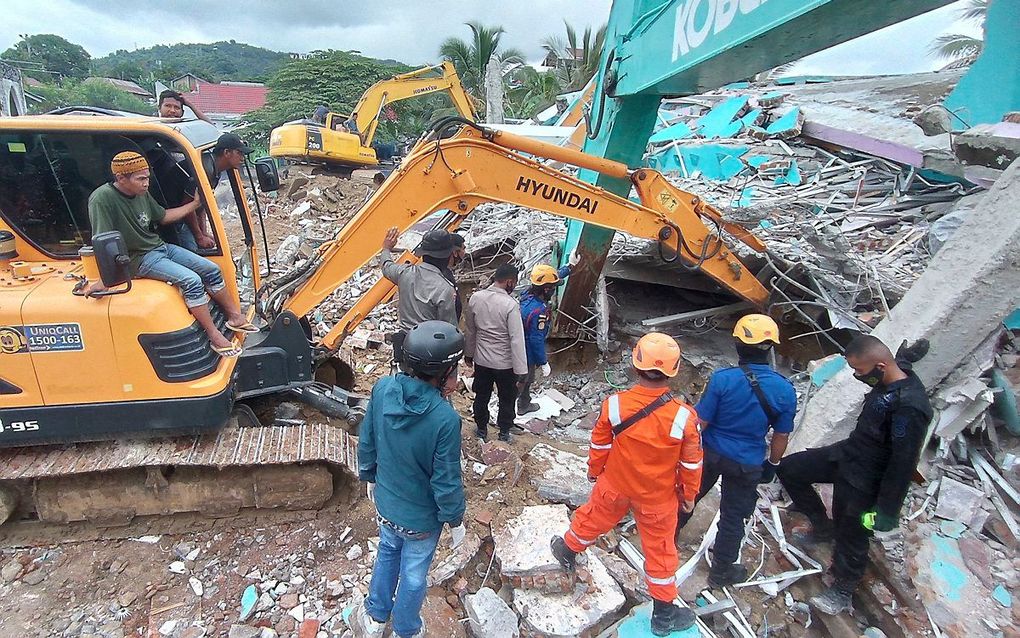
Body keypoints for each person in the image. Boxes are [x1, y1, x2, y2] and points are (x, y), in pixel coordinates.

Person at [550, 333, 704, 637]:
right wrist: (689, 496)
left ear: (636, 366)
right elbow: (691, 464)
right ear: (673, 372)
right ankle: (663, 616)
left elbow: (600, 443)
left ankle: (567, 550)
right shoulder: (683, 418)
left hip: (616, 484)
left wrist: (595, 471)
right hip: (657, 498)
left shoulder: (615, 405)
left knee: (593, 517)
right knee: (660, 551)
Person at [777, 335, 932, 615]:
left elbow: (903, 462)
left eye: (860, 371)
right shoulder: (891, 375)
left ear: (881, 366)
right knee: (791, 469)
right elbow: (899, 365)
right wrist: (907, 356)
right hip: (849, 453)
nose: (857, 376)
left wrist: (887, 509)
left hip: (868, 476)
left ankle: (843, 588)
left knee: (853, 531)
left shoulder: (910, 407)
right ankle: (822, 527)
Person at [352, 320, 467, 638]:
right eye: (456, 370)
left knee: (387, 553)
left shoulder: (383, 388)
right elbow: (446, 480)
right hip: (421, 520)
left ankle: (375, 617)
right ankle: (406, 629)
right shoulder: (445, 419)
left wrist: (369, 475)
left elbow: (368, 439)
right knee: (414, 574)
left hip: (387, 505)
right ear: (443, 374)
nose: (458, 378)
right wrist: (455, 520)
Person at [87, 151, 256, 356]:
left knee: (212, 269)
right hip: (138, 258)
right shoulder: (102, 199)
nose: (146, 183)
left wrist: (194, 205)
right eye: (141, 179)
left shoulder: (141, 194)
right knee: (192, 281)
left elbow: (164, 216)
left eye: (147, 177)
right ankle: (214, 336)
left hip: (158, 247)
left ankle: (235, 317)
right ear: (121, 178)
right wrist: (107, 277)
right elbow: (102, 240)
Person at [675, 314, 797, 587]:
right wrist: (773, 464)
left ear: (738, 345)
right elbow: (781, 434)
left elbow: (700, 422)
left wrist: (682, 453)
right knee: (733, 517)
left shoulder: (723, 380)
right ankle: (721, 571)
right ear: (770, 348)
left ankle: (667, 542)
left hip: (710, 454)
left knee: (686, 498)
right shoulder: (784, 390)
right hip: (747, 462)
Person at [464, 264, 528, 442]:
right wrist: (521, 369)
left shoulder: (476, 298)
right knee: (507, 398)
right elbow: (516, 339)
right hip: (504, 363)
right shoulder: (510, 305)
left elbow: (470, 330)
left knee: (482, 395)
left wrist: (469, 355)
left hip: (482, 360)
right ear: (509, 281)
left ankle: (481, 429)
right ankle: (504, 432)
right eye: (514, 282)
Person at [518, 254, 580, 414]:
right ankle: (521, 406)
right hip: (527, 352)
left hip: (517, 346)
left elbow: (551, 278)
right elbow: (536, 340)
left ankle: (519, 402)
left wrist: (569, 266)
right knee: (526, 379)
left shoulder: (527, 294)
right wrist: (543, 361)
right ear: (546, 289)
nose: (554, 290)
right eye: (552, 288)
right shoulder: (538, 311)